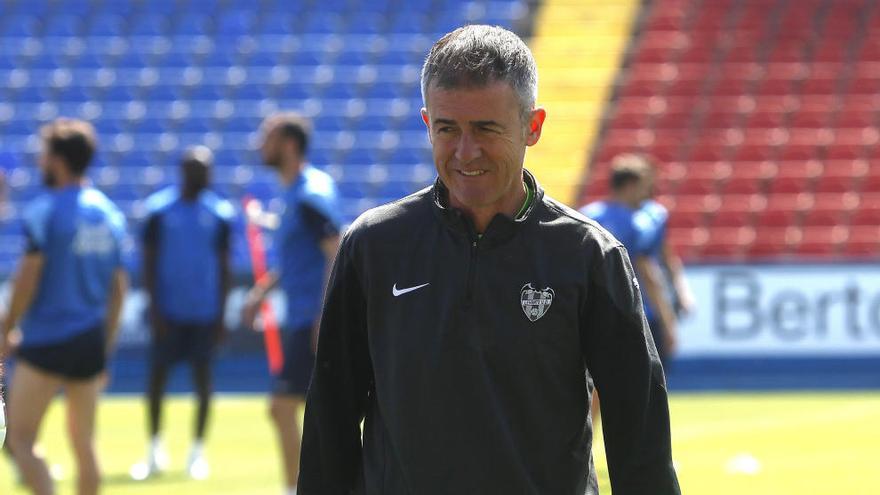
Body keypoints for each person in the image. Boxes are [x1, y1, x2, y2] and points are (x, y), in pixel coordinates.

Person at [298, 25, 680, 495]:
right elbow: (330, 422)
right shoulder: (374, 245)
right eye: (447, 129)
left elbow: (638, 436)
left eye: (485, 129)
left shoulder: (589, 255)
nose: (465, 152)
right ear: (426, 124)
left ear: (532, 127)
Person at [0, 118, 128, 495]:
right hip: (89, 340)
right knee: (85, 442)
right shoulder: (108, 214)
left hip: (47, 340)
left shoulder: (45, 210)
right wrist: (105, 346)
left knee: (20, 438)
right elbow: (118, 289)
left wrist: (6, 328)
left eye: (44, 155)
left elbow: (29, 276)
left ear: (58, 160)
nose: (40, 162)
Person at [242, 112, 342, 495]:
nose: (259, 144)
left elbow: (335, 250)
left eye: (267, 137)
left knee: (283, 408)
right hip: (304, 315)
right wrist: (262, 292)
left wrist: (323, 315)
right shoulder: (294, 193)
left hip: (310, 318)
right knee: (321, 411)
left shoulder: (308, 194)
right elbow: (299, 257)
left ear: (288, 144)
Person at [131, 146, 234, 481]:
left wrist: (221, 315)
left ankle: (197, 452)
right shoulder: (159, 211)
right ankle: (155, 450)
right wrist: (154, 308)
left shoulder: (219, 213)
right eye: (199, 170)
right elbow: (147, 262)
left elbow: (224, 267)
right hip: (169, 312)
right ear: (185, 172)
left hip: (203, 314)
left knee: (204, 384)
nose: (206, 176)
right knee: (157, 382)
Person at [580, 155, 679, 366]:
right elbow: (647, 271)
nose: (647, 194)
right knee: (645, 388)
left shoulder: (585, 217)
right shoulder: (638, 222)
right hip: (637, 314)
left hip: (594, 315)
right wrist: (668, 321)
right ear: (631, 185)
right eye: (645, 187)